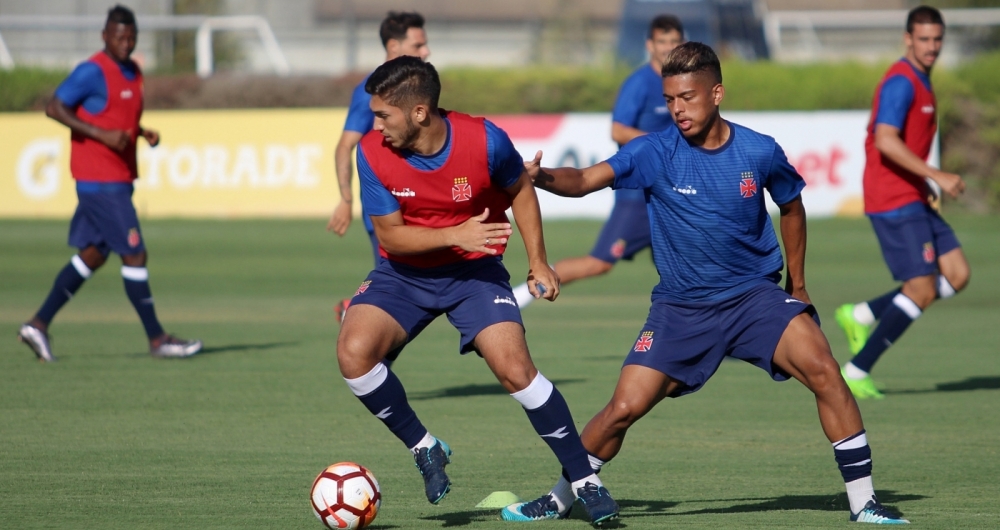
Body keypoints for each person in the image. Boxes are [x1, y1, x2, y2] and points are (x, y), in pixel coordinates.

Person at [503, 43, 908, 525]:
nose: (677, 109)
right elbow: (586, 178)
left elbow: (792, 206)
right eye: (670, 99)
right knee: (623, 408)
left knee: (825, 370)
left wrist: (797, 286)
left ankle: (864, 504)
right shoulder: (654, 150)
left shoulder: (759, 149)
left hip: (755, 299)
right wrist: (542, 177)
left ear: (716, 94)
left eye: (688, 98)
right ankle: (558, 498)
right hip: (681, 310)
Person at [336, 56, 619, 526]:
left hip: (474, 274)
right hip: (404, 274)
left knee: (516, 370)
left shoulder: (484, 139)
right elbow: (390, 237)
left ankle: (585, 481)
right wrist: (454, 235)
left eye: (384, 114)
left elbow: (521, 192)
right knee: (353, 355)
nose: (376, 124)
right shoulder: (371, 151)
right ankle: (426, 448)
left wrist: (538, 261)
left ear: (420, 112)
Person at [16, 5, 201, 362]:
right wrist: (100, 134)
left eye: (131, 36)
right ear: (104, 36)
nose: (126, 43)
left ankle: (37, 325)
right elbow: (55, 107)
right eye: (119, 36)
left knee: (94, 254)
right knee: (134, 252)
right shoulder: (91, 71)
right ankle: (158, 339)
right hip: (100, 181)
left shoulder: (132, 71)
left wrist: (141, 132)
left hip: (117, 177)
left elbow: (117, 114)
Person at [834, 6, 969, 400]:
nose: (931, 47)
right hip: (892, 198)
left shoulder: (921, 80)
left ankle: (860, 315)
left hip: (911, 192)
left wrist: (921, 180)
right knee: (922, 287)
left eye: (937, 39)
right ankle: (857, 369)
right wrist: (935, 174)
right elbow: (885, 138)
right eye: (924, 39)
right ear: (908, 39)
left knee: (957, 274)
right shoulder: (901, 82)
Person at [511, 14, 683, 309]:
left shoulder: (680, 81)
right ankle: (520, 294)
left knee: (684, 263)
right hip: (638, 197)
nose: (668, 47)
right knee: (600, 262)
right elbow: (618, 130)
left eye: (674, 41)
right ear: (650, 45)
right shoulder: (640, 83)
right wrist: (660, 146)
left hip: (670, 192)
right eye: (662, 41)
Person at [329, 11, 431, 330]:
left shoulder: (416, 86)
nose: (426, 51)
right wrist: (346, 199)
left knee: (415, 286)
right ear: (393, 45)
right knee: (401, 289)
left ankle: (359, 323)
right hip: (387, 205)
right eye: (418, 45)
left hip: (417, 199)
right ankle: (361, 337)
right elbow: (344, 145)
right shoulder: (371, 92)